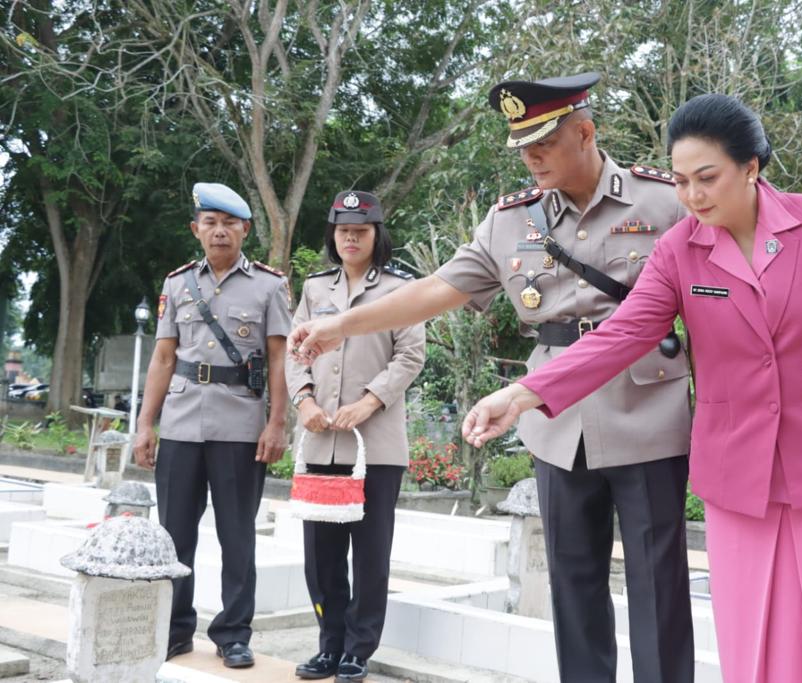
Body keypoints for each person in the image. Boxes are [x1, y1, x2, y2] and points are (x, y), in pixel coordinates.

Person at [462, 94, 802, 683]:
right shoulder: (679, 249)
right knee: (748, 630)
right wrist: (521, 394)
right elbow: (620, 336)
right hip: (738, 464)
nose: (693, 196)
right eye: (680, 181)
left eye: (707, 178)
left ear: (751, 167)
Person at [289, 73, 696, 682]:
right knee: (573, 584)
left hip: (648, 412)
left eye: (544, 143)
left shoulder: (663, 201)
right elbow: (435, 289)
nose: (531, 158)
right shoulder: (511, 221)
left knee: (657, 584)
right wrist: (341, 325)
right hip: (553, 420)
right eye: (523, 146)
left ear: (585, 133)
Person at [133, 182, 291, 669]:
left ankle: (233, 634)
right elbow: (163, 358)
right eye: (210, 223)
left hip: (241, 427)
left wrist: (277, 423)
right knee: (174, 534)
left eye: (229, 224)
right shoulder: (178, 284)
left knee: (237, 536)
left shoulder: (269, 286)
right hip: (181, 424)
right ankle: (175, 629)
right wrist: (145, 424)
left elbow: (280, 358)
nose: (219, 231)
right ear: (196, 229)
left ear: (245, 229)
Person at [287, 191, 425, 681]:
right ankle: (329, 646)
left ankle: (357, 649)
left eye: (360, 231)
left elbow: (410, 356)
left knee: (369, 554)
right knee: (320, 555)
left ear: (375, 235)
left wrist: (369, 401)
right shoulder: (314, 288)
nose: (350, 238)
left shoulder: (399, 289)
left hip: (376, 446)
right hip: (321, 440)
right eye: (343, 230)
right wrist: (304, 401)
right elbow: (294, 352)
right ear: (333, 235)